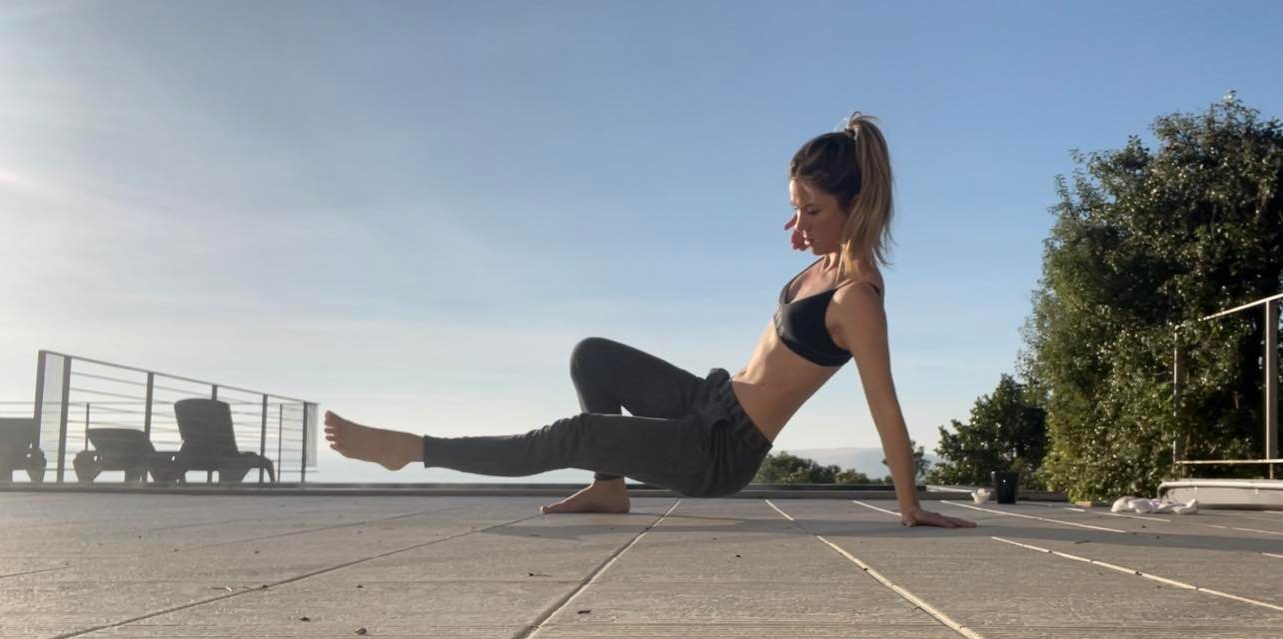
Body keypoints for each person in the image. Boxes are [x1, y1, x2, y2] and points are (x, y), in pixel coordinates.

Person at [325, 112, 974, 529]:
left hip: (721, 452)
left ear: (855, 206)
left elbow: (885, 404)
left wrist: (910, 505)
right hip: (709, 400)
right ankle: (610, 488)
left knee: (577, 433)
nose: (795, 226)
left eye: (811, 211)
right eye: (793, 207)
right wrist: (814, 236)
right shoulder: (825, 265)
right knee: (592, 356)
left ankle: (412, 450)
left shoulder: (858, 299)